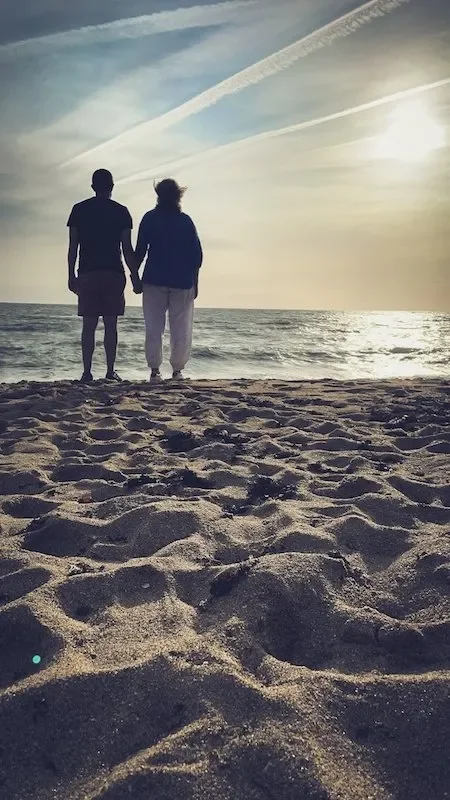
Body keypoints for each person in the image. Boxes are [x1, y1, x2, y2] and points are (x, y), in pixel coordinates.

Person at [67, 168, 141, 383]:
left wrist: (71, 274)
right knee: (111, 324)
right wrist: (135, 276)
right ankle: (110, 371)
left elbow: (73, 246)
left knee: (89, 325)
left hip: (88, 272)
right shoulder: (121, 212)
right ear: (112, 187)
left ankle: (87, 372)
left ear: (93, 187)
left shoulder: (79, 210)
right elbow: (127, 248)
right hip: (113, 273)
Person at [134, 178, 203, 381]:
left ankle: (155, 371)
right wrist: (196, 283)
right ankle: (177, 370)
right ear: (178, 196)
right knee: (180, 328)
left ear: (158, 196)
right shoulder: (185, 221)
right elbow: (196, 257)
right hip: (182, 280)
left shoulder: (149, 218)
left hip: (154, 278)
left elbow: (139, 252)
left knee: (154, 327)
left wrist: (135, 277)